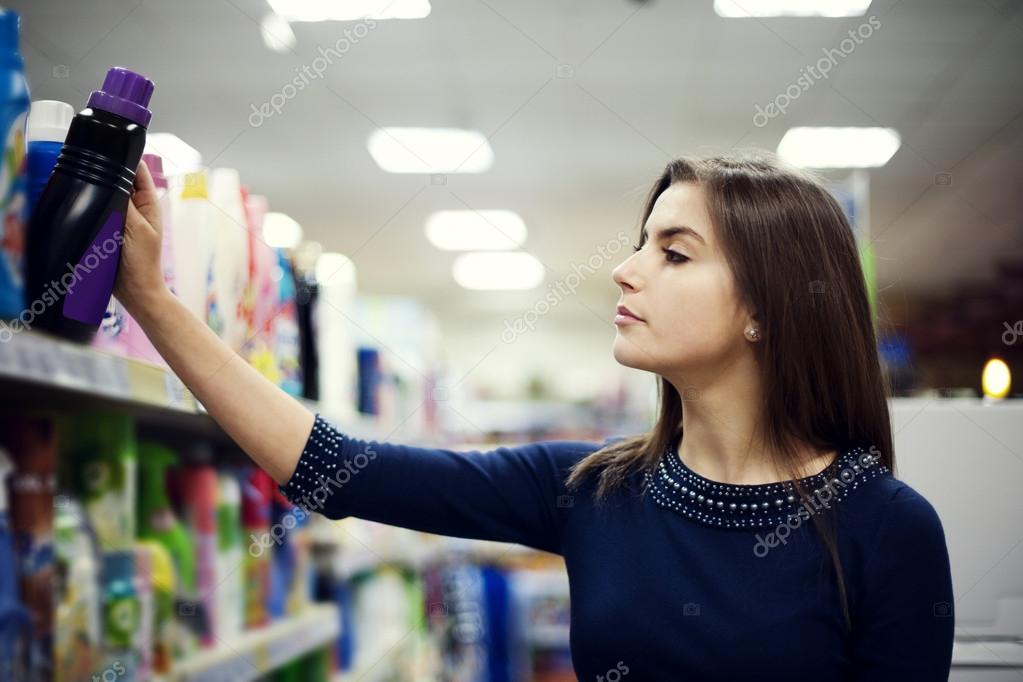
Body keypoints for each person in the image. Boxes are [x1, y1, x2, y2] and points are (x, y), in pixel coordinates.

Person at [114, 152, 954, 680]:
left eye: (673, 253)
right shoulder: (588, 488)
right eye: (640, 243)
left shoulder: (887, 529)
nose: (625, 271)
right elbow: (335, 468)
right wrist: (152, 300)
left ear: (764, 310)